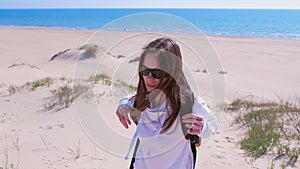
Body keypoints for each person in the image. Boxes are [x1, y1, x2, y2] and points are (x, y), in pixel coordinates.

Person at [115, 37, 218, 169]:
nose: (149, 78)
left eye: (157, 73)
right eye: (145, 70)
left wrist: (202, 128)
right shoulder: (142, 99)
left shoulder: (187, 102)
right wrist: (122, 106)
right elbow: (129, 98)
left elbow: (213, 123)